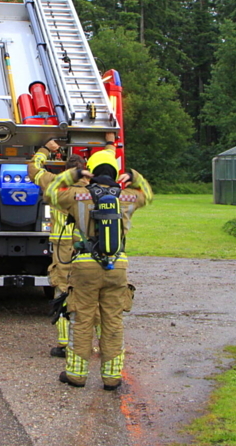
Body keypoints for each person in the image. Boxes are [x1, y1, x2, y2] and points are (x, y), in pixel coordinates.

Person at [44, 133, 153, 390]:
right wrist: (135, 177)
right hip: (117, 266)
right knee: (113, 320)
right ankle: (112, 378)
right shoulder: (127, 197)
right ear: (115, 172)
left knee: (81, 319)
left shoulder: (78, 195)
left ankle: (76, 375)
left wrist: (72, 175)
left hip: (84, 266)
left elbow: (50, 193)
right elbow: (147, 194)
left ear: (90, 171)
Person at [28, 140, 86, 358]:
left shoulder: (54, 183)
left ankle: (64, 343)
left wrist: (45, 149)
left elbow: (33, 169)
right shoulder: (93, 188)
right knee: (90, 292)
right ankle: (94, 341)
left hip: (62, 248)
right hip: (87, 248)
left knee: (62, 290)